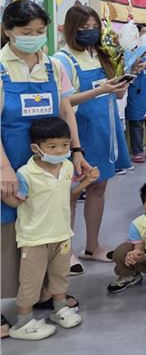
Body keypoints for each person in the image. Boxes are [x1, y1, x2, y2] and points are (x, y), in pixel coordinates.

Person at [0, 1, 92, 322]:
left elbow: (65, 111)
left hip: (47, 163)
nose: (35, 38)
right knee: (5, 230)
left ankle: (39, 294)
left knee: (41, 229)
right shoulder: (1, 67)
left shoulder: (53, 66)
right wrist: (4, 169)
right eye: (26, 32)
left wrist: (76, 151)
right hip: (7, 159)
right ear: (7, 30)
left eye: (40, 31)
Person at [2, 117, 98, 341]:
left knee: (60, 275)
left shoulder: (67, 167)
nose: (60, 150)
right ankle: (24, 321)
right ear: (36, 148)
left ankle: (60, 308)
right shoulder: (26, 173)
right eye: (52, 146)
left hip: (62, 234)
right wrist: (5, 194)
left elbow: (68, 193)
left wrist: (85, 182)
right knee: (31, 282)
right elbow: (16, 202)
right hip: (34, 238)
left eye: (65, 145)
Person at [53, 5, 131, 268]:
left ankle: (92, 245)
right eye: (84, 27)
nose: (90, 31)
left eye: (94, 26)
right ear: (71, 29)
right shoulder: (62, 60)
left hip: (104, 130)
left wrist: (121, 82)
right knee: (71, 193)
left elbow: (116, 95)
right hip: (78, 133)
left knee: (98, 188)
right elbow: (64, 102)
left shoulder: (100, 55)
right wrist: (99, 91)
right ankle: (65, 252)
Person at [126, 23, 146, 164]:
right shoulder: (132, 52)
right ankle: (137, 151)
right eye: (144, 32)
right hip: (137, 93)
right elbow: (127, 70)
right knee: (137, 123)